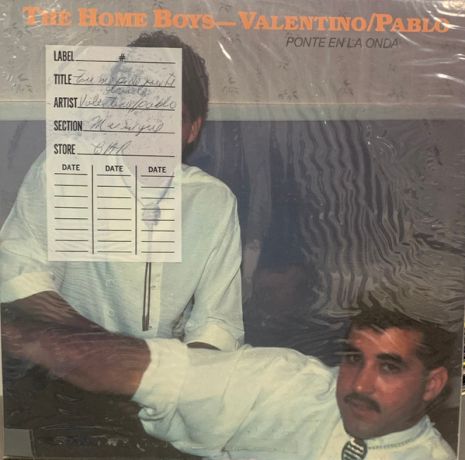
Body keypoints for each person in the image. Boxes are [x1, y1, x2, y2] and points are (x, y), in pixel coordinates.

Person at [0, 31, 243, 351]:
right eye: (135, 108)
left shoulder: (213, 201)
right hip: (66, 362)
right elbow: (19, 273)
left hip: (165, 373)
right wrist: (110, 356)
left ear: (192, 129)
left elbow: (218, 324)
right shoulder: (68, 169)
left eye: (165, 113)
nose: (146, 127)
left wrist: (170, 377)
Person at [1, 299, 458, 460]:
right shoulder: (292, 386)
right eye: (354, 359)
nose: (359, 384)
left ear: (433, 384)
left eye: (390, 367)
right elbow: (157, 372)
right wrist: (22, 338)